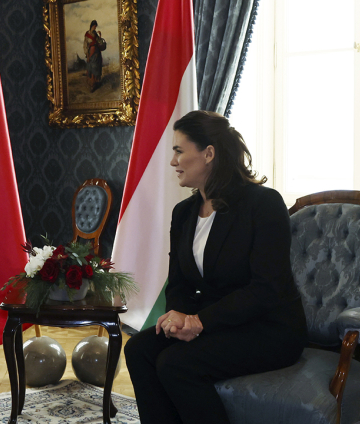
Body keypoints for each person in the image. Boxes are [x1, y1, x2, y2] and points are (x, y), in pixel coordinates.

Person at [123, 110, 307, 424]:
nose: (173, 161)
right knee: (138, 349)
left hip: (269, 329)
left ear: (208, 154)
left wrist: (199, 321)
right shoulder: (184, 212)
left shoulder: (264, 204)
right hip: (216, 323)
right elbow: (179, 283)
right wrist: (178, 319)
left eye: (179, 151)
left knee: (174, 364)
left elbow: (266, 289)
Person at [83, 20, 106, 92]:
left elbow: (99, 42)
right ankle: (91, 84)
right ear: (91, 26)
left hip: (97, 53)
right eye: (94, 26)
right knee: (91, 67)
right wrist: (87, 54)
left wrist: (100, 36)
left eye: (95, 26)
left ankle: (95, 83)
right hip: (91, 53)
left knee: (96, 67)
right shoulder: (87, 34)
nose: (95, 28)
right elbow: (85, 45)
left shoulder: (95, 34)